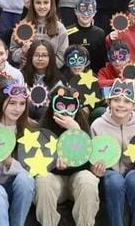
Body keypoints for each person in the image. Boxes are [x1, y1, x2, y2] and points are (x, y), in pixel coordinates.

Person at [90, 79, 135, 226]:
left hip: (134, 170)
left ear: (134, 105)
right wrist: (95, 169)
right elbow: (93, 158)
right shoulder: (97, 125)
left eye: (126, 101)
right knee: (115, 181)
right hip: (109, 172)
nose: (121, 105)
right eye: (116, 100)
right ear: (109, 102)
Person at [34, 86, 100, 226]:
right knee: (43, 180)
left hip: (77, 180)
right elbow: (38, 162)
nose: (64, 112)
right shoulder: (44, 128)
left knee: (88, 180)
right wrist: (53, 165)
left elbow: (88, 162)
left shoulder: (81, 126)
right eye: (59, 106)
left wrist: (76, 130)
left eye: (70, 108)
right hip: (54, 181)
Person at [0, 81, 37, 226]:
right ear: (1, 102)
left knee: (26, 179)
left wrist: (10, 162)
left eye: (22, 104)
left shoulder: (30, 129)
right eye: (12, 103)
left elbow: (32, 168)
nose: (17, 109)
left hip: (16, 185)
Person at [11, 0, 68, 68]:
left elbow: (62, 58)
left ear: (51, 4)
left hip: (49, 75)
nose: (42, 6)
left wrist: (42, 66)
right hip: (27, 72)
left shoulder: (60, 28)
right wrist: (22, 52)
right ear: (32, 4)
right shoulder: (23, 25)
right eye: (38, 3)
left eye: (46, 3)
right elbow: (13, 53)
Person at [21, 39, 63, 120]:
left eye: (44, 55)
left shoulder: (58, 80)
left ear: (50, 57)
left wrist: (50, 104)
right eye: (36, 55)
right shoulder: (21, 75)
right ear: (30, 57)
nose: (40, 59)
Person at [65, 0, 107, 73]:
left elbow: (102, 60)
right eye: (82, 9)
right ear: (75, 11)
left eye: (90, 10)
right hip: (72, 77)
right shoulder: (67, 32)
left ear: (95, 13)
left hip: (94, 77)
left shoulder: (100, 33)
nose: (86, 14)